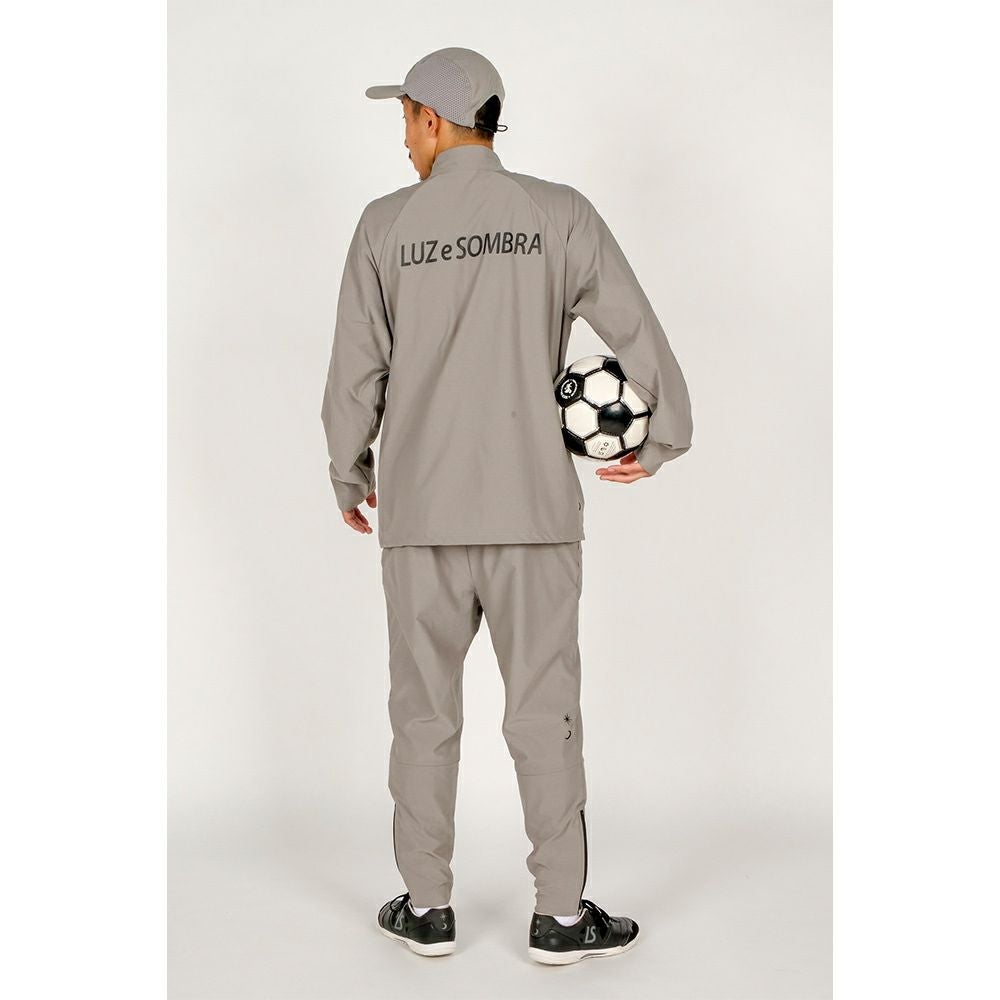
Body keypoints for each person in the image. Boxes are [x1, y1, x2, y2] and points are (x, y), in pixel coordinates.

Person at [321, 46, 693, 965]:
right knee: (543, 713)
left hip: (422, 519)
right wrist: (664, 433)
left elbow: (356, 369)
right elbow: (635, 326)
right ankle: (561, 918)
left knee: (423, 717)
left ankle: (427, 908)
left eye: (405, 119)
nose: (404, 139)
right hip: (533, 516)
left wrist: (348, 469)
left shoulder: (383, 226)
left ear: (433, 119)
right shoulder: (558, 214)